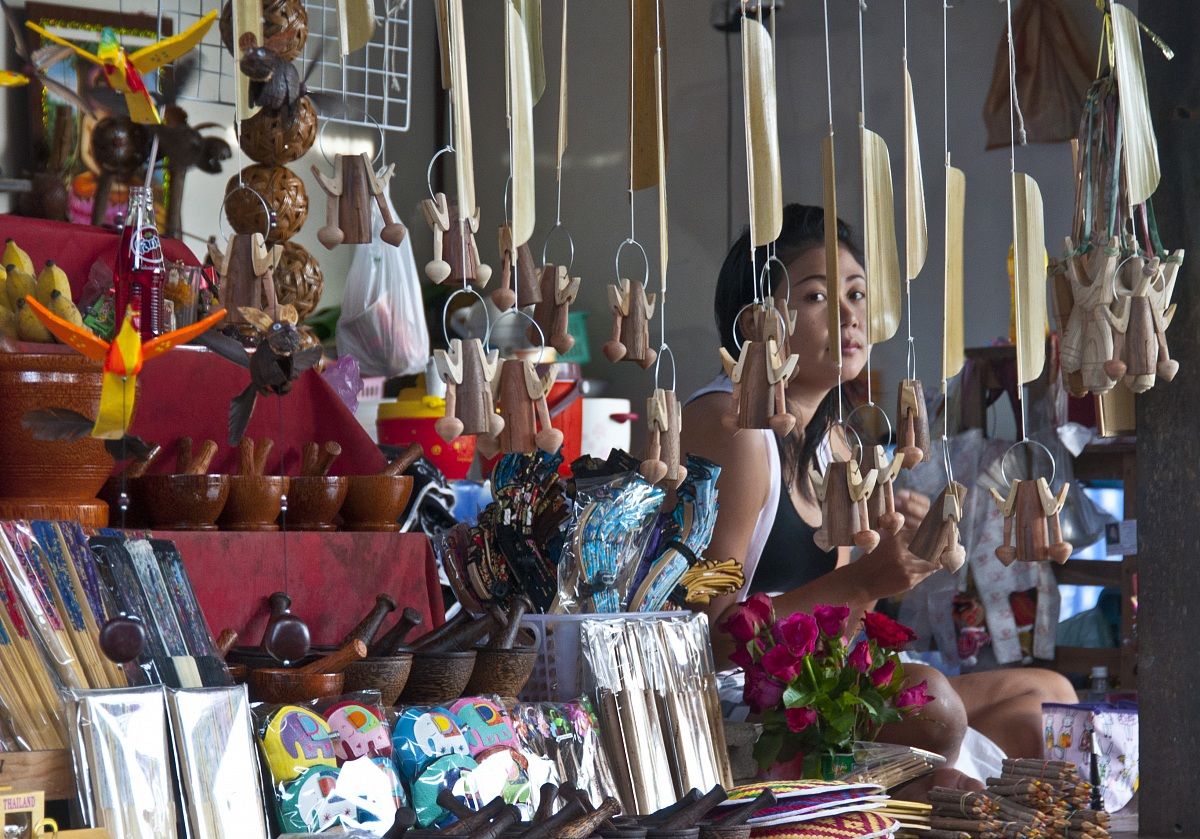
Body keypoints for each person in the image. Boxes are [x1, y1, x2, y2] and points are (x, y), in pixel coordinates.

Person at [680, 204, 1075, 777]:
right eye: (817, 297)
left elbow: (833, 633)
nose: (849, 317)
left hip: (809, 696)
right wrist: (866, 578)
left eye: (857, 295)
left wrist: (893, 566)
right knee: (938, 708)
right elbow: (708, 634)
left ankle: (943, 774)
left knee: (1050, 699)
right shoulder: (734, 429)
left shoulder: (832, 447)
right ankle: (939, 779)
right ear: (755, 325)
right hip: (734, 714)